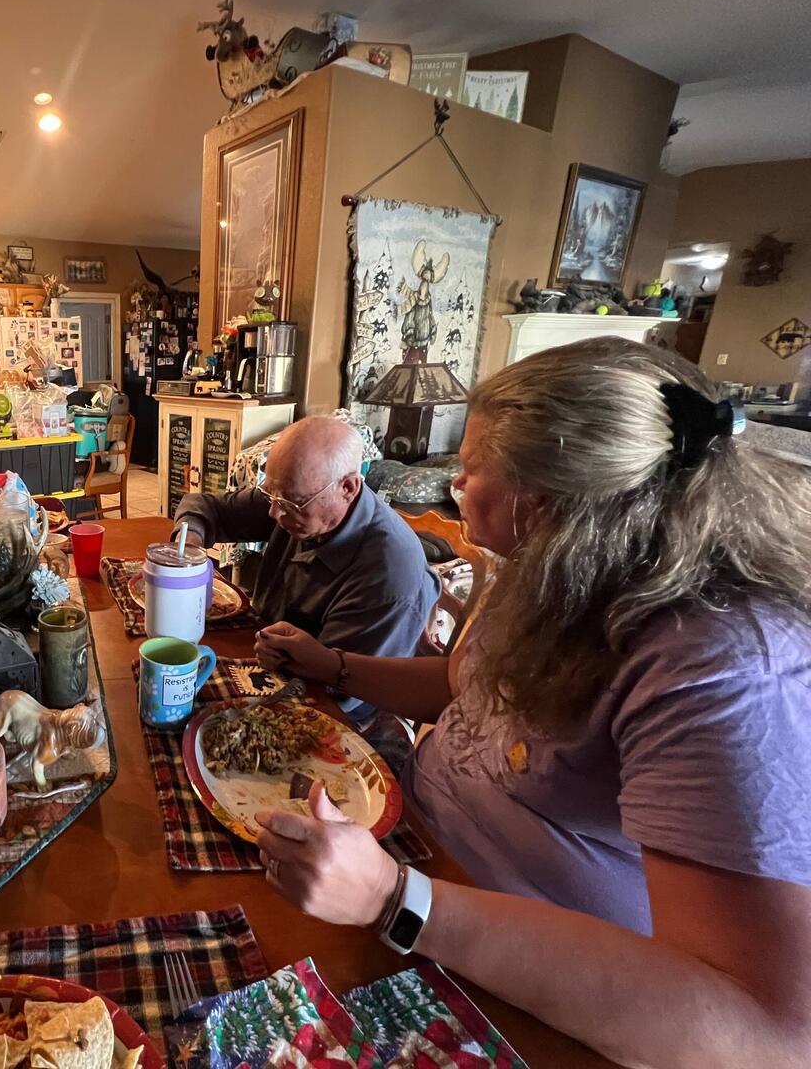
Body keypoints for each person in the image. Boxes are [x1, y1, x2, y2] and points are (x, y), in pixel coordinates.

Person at [253, 339, 811, 1065]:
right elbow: (467, 688)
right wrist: (334, 666)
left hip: (530, 992)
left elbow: (769, 1030)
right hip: (416, 862)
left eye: (473, 468)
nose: (455, 481)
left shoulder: (724, 663)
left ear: (551, 498)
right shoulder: (550, 565)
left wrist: (399, 899)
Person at [173, 415, 438, 724]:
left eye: (289, 503)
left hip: (335, 715)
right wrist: (190, 546)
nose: (273, 512)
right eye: (271, 495)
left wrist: (287, 657)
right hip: (267, 654)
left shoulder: (388, 572)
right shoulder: (295, 497)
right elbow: (205, 506)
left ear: (348, 488)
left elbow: (335, 689)